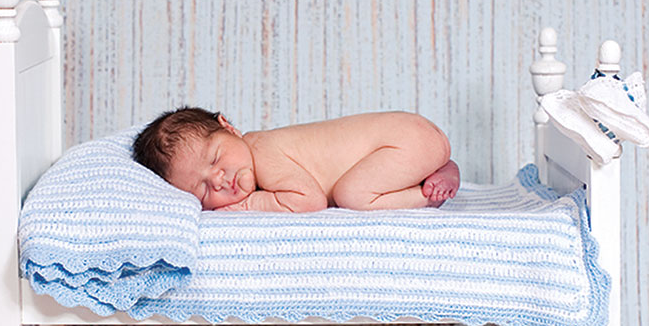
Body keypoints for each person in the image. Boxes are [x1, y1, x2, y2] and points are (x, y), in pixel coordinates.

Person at [133, 107, 460, 212]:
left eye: (216, 158)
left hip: (403, 142)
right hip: (411, 138)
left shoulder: (262, 150)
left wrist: (246, 205)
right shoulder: (260, 154)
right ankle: (435, 168)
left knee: (352, 195)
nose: (219, 179)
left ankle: (427, 195)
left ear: (229, 128)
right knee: (360, 183)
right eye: (203, 189)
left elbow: (309, 200)